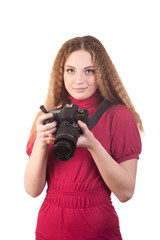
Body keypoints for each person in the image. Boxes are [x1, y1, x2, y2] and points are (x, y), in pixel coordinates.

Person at [24, 35, 143, 240]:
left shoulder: (118, 116)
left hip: (98, 231)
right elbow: (33, 190)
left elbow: (126, 192)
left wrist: (93, 145)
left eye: (89, 71)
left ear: (102, 74)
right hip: (49, 230)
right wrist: (41, 144)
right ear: (61, 74)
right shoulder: (50, 117)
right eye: (70, 70)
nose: (79, 80)